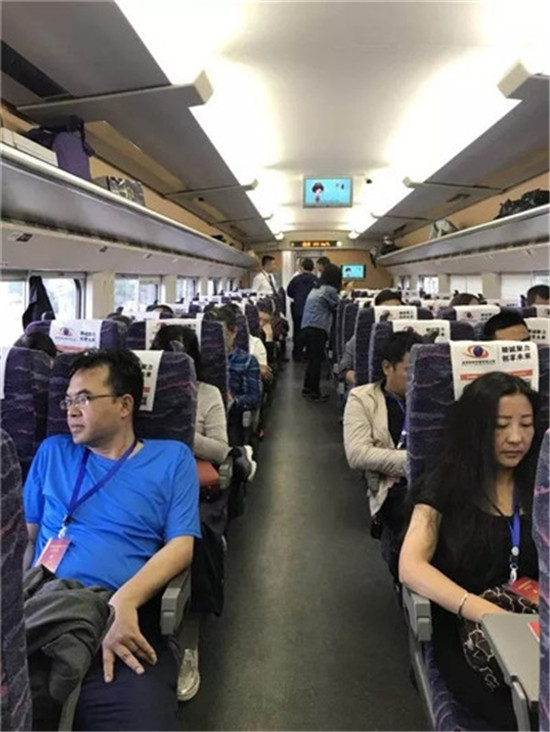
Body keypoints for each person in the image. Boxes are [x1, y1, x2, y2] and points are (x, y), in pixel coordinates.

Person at [23, 349, 200, 730]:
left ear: (125, 405)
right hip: (42, 605)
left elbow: (182, 545)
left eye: (84, 398)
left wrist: (126, 600)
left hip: (118, 613)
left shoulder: (172, 459)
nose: (71, 411)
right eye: (68, 401)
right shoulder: (52, 453)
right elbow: (25, 538)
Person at [399, 372, 540, 730]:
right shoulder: (446, 482)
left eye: (526, 424)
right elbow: (411, 564)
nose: (516, 437)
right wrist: (481, 610)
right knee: (522, 712)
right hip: (466, 628)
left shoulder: (541, 482)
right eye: (500, 426)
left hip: (534, 618)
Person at [343, 331, 422, 576]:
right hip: (395, 488)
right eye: (410, 371)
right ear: (387, 368)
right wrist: (417, 461)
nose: (419, 379)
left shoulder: (438, 397)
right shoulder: (363, 398)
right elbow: (357, 454)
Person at [209, 305, 261, 445]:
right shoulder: (199, 363)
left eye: (222, 335)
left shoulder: (247, 361)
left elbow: (254, 398)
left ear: (234, 333)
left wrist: (233, 401)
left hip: (232, 417)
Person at [301, 263, 341, 401]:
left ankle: (307, 388)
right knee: (316, 360)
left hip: (308, 325)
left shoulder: (317, 288)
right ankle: (314, 392)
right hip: (317, 327)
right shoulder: (329, 290)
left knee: (312, 360)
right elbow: (339, 306)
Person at [286, 257, 317, 361]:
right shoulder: (316, 281)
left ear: (302, 267)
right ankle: (309, 354)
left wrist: (297, 296)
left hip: (298, 309)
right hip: (312, 310)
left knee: (298, 331)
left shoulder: (296, 279)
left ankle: (297, 354)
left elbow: (289, 292)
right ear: (313, 268)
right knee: (311, 333)